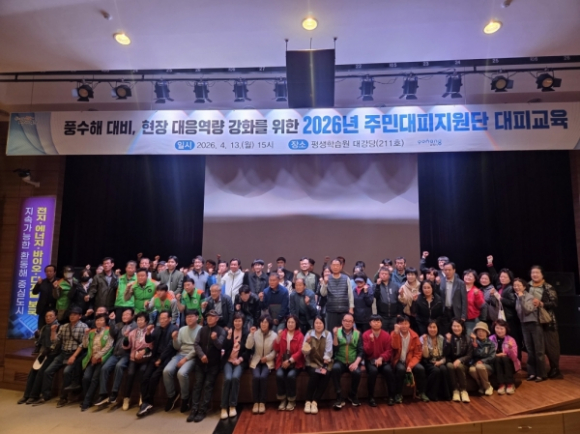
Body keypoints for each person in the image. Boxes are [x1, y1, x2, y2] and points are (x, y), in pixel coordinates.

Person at [41, 306, 89, 407]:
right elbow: (56, 341)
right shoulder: (64, 326)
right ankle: (46, 395)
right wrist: (53, 331)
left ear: (80, 316)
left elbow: (83, 345)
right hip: (63, 353)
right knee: (47, 371)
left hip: (75, 353)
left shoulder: (84, 327)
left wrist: (74, 356)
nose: (72, 316)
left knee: (66, 372)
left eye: (75, 314)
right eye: (71, 314)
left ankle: (63, 398)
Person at [186, 309, 226, 422]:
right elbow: (196, 344)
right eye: (208, 316)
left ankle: (202, 410)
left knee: (208, 386)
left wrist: (215, 339)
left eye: (212, 316)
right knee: (197, 385)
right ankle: (194, 410)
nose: (209, 318)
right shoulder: (202, 329)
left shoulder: (221, 331)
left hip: (214, 364)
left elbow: (221, 346)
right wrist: (201, 355)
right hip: (200, 363)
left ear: (217, 319)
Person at [138, 310, 178, 417]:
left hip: (166, 357)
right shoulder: (157, 328)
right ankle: (145, 401)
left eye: (164, 318)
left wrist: (160, 359)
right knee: (145, 376)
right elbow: (149, 340)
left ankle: (149, 402)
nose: (162, 320)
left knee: (154, 378)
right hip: (155, 356)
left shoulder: (174, 329)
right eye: (161, 318)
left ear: (170, 319)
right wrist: (148, 332)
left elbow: (170, 347)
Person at [94, 308, 136, 407]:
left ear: (132, 316)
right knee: (104, 368)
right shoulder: (119, 324)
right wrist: (112, 320)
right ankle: (103, 394)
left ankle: (114, 392)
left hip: (127, 354)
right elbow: (113, 333)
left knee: (119, 366)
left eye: (127, 314)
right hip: (116, 353)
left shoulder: (135, 326)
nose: (125, 316)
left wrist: (127, 336)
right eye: (123, 315)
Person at [163, 309, 201, 414]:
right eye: (187, 317)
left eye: (191, 316)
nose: (189, 319)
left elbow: (197, 348)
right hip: (180, 354)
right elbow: (177, 347)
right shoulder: (182, 329)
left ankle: (185, 398)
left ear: (197, 317)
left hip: (192, 357)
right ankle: (172, 396)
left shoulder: (201, 330)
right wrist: (175, 339)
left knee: (182, 373)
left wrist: (185, 359)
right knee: (166, 371)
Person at [19, 310, 59, 405]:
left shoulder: (58, 327)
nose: (48, 318)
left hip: (52, 354)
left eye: (50, 316)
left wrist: (49, 350)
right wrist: (37, 337)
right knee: (32, 372)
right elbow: (39, 342)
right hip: (43, 353)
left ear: (55, 317)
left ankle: (34, 395)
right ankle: (26, 395)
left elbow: (57, 343)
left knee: (40, 372)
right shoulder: (44, 327)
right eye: (46, 316)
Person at [529, 265, 562, 379]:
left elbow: (554, 303)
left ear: (542, 274)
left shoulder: (548, 287)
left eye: (537, 272)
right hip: (532, 320)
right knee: (536, 347)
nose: (534, 275)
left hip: (547, 321)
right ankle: (538, 369)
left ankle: (555, 368)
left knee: (551, 346)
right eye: (533, 273)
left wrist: (542, 304)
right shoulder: (527, 286)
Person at [487, 256, 521, 359]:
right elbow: (494, 276)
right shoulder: (500, 286)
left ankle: (517, 360)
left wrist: (499, 297)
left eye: (505, 277)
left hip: (510, 318)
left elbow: (513, 303)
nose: (502, 278)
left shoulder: (510, 288)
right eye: (501, 277)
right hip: (502, 317)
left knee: (513, 338)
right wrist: (490, 264)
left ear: (510, 278)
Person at [514, 277, 546, 382]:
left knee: (538, 350)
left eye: (519, 285)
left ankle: (541, 374)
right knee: (530, 350)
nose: (516, 287)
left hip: (534, 324)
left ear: (524, 287)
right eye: (515, 285)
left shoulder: (530, 297)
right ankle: (532, 373)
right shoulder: (517, 297)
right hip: (524, 325)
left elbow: (528, 310)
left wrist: (521, 297)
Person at [80, 312, 114, 411]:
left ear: (105, 321)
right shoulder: (91, 331)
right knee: (86, 378)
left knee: (95, 379)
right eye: (97, 320)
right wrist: (85, 335)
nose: (99, 322)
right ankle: (88, 399)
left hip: (102, 358)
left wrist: (98, 356)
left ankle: (86, 402)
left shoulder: (109, 331)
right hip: (91, 358)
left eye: (101, 320)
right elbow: (85, 345)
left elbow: (109, 346)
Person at [391, 315, 428, 403]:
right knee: (401, 369)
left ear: (409, 324)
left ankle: (421, 392)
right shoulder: (394, 333)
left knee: (420, 369)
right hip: (398, 360)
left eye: (406, 323)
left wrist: (410, 365)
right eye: (401, 323)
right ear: (397, 324)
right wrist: (396, 333)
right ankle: (398, 394)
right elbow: (394, 347)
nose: (404, 326)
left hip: (410, 360)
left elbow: (418, 354)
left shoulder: (414, 336)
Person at [246, 314, 277, 415]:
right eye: (262, 322)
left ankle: (262, 402)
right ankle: (256, 402)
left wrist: (267, 358)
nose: (263, 324)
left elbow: (275, 351)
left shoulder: (274, 335)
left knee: (263, 377)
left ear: (269, 324)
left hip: (268, 361)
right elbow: (248, 346)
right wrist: (251, 334)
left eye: (266, 322)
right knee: (256, 377)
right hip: (256, 360)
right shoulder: (255, 333)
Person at [220, 312, 249, 419]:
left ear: (243, 322)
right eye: (235, 320)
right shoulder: (229, 332)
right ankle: (223, 407)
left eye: (239, 321)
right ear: (233, 321)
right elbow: (224, 347)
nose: (237, 323)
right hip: (228, 360)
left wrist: (240, 360)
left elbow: (248, 350)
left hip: (240, 361)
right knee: (227, 379)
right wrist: (228, 337)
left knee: (235, 378)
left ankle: (232, 405)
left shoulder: (246, 333)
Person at [121, 311, 152, 411]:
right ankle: (126, 398)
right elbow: (126, 346)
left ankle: (142, 396)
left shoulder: (150, 330)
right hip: (133, 358)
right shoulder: (133, 332)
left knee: (143, 372)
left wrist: (143, 351)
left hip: (145, 357)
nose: (139, 321)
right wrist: (126, 338)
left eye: (141, 319)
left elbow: (151, 345)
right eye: (138, 320)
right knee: (130, 374)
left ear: (146, 321)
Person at [331, 312, 363, 410]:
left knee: (357, 372)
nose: (348, 323)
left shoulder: (358, 333)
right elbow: (334, 350)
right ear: (342, 321)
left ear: (353, 323)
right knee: (335, 369)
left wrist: (356, 363)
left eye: (350, 321)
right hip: (340, 360)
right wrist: (335, 335)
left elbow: (361, 351)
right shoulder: (337, 331)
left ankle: (352, 395)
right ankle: (339, 396)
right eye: (345, 321)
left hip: (353, 361)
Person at [274, 314, 305, 412]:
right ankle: (282, 399)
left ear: (296, 324)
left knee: (290, 376)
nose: (290, 324)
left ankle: (291, 400)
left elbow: (300, 352)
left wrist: (290, 360)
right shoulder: (282, 333)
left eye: (292, 322)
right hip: (282, 362)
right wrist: (278, 338)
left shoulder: (300, 335)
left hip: (296, 363)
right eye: (289, 322)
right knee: (279, 375)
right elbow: (276, 348)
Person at [363, 315, 395, 407]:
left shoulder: (386, 335)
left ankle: (391, 396)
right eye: (374, 321)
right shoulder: (366, 334)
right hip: (370, 360)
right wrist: (371, 341)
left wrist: (381, 358)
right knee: (373, 371)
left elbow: (389, 351)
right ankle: (371, 397)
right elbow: (367, 352)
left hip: (383, 360)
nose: (376, 323)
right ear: (370, 323)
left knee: (388, 370)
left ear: (381, 323)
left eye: (378, 321)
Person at [302, 316, 332, 414]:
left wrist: (324, 364)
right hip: (311, 362)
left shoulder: (328, 334)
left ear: (324, 324)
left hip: (323, 362)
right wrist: (307, 343)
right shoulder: (309, 334)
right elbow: (304, 352)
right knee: (315, 373)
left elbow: (328, 351)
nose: (318, 325)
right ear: (313, 324)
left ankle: (315, 401)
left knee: (326, 374)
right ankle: (308, 401)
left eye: (320, 323)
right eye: (316, 323)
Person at [320, 259, 354, 331]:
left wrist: (351, 308)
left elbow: (350, 294)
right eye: (334, 265)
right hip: (331, 310)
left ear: (341, 266)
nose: (335, 267)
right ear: (331, 266)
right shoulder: (327, 278)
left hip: (344, 310)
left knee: (344, 331)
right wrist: (325, 283)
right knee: (331, 331)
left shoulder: (346, 278)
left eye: (337, 265)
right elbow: (323, 293)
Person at [420, 321, 450, 402]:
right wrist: (425, 342)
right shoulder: (423, 338)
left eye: (434, 327)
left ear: (437, 328)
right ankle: (431, 394)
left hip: (440, 361)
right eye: (430, 327)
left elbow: (445, 355)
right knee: (436, 371)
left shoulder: (441, 338)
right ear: (427, 328)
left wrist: (440, 362)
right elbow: (425, 356)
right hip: (428, 362)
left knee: (443, 369)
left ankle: (445, 394)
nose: (432, 329)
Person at [489, 319, 520, 395]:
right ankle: (501, 384)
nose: (499, 330)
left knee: (505, 358)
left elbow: (514, 358)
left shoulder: (511, 339)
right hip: (496, 362)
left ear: (506, 329)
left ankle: (510, 384)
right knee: (497, 359)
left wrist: (510, 348)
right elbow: (488, 354)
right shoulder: (491, 339)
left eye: (501, 328)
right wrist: (496, 355)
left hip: (509, 364)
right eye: (497, 328)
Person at [445, 318, 473, 403]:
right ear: (451, 327)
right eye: (454, 326)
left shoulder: (467, 338)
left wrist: (460, 360)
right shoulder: (448, 337)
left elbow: (469, 355)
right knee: (449, 366)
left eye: (458, 326)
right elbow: (445, 354)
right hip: (450, 361)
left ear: (462, 327)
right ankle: (455, 390)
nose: (456, 328)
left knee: (459, 367)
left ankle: (463, 390)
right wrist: (448, 342)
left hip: (463, 363)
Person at [468, 321, 496, 396]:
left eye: (483, 331)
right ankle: (483, 386)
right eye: (479, 331)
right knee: (472, 370)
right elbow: (470, 355)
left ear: (487, 333)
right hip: (474, 364)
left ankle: (487, 387)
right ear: (476, 333)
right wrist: (474, 344)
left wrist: (482, 361)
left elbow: (492, 356)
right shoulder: (472, 342)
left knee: (479, 367)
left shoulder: (491, 343)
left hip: (487, 365)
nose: (481, 333)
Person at [439, 262, 467, 334]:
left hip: (456, 311)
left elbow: (464, 300)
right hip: (444, 311)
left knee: (456, 332)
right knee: (445, 332)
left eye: (449, 270)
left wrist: (463, 315)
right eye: (445, 270)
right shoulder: (441, 281)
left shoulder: (460, 283)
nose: (447, 272)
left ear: (454, 270)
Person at [374, 267, 401, 332]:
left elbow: (399, 300)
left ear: (389, 275)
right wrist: (378, 285)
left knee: (394, 333)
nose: (384, 275)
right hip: (382, 316)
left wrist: (399, 312)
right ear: (379, 275)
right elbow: (375, 296)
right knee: (383, 333)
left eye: (386, 274)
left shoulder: (395, 285)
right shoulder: (375, 285)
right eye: (382, 273)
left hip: (394, 316)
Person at [32, 265, 57, 330]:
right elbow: (34, 292)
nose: (48, 273)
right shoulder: (42, 282)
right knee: (41, 327)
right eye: (47, 271)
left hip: (54, 308)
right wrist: (38, 284)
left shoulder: (58, 282)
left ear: (54, 272)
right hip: (43, 308)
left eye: (50, 271)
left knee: (52, 328)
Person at [464, 270, 485, 336]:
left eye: (470, 276)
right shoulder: (459, 288)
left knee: (470, 338)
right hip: (460, 318)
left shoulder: (477, 291)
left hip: (471, 319)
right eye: (466, 275)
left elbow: (480, 305)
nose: (468, 277)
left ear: (475, 279)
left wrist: (477, 295)